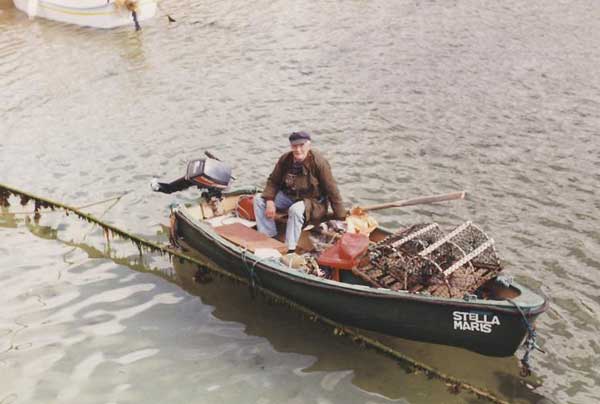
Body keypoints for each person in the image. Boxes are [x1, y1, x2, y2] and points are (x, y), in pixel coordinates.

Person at [253, 131, 346, 251]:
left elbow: (332, 189)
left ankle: (289, 248)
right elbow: (273, 181)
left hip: (313, 202)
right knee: (259, 199)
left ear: (309, 145)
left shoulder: (319, 162)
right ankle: (270, 236)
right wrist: (270, 200)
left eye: (301, 145)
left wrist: (340, 215)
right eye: (294, 146)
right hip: (289, 196)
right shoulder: (285, 159)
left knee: (295, 210)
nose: (298, 150)